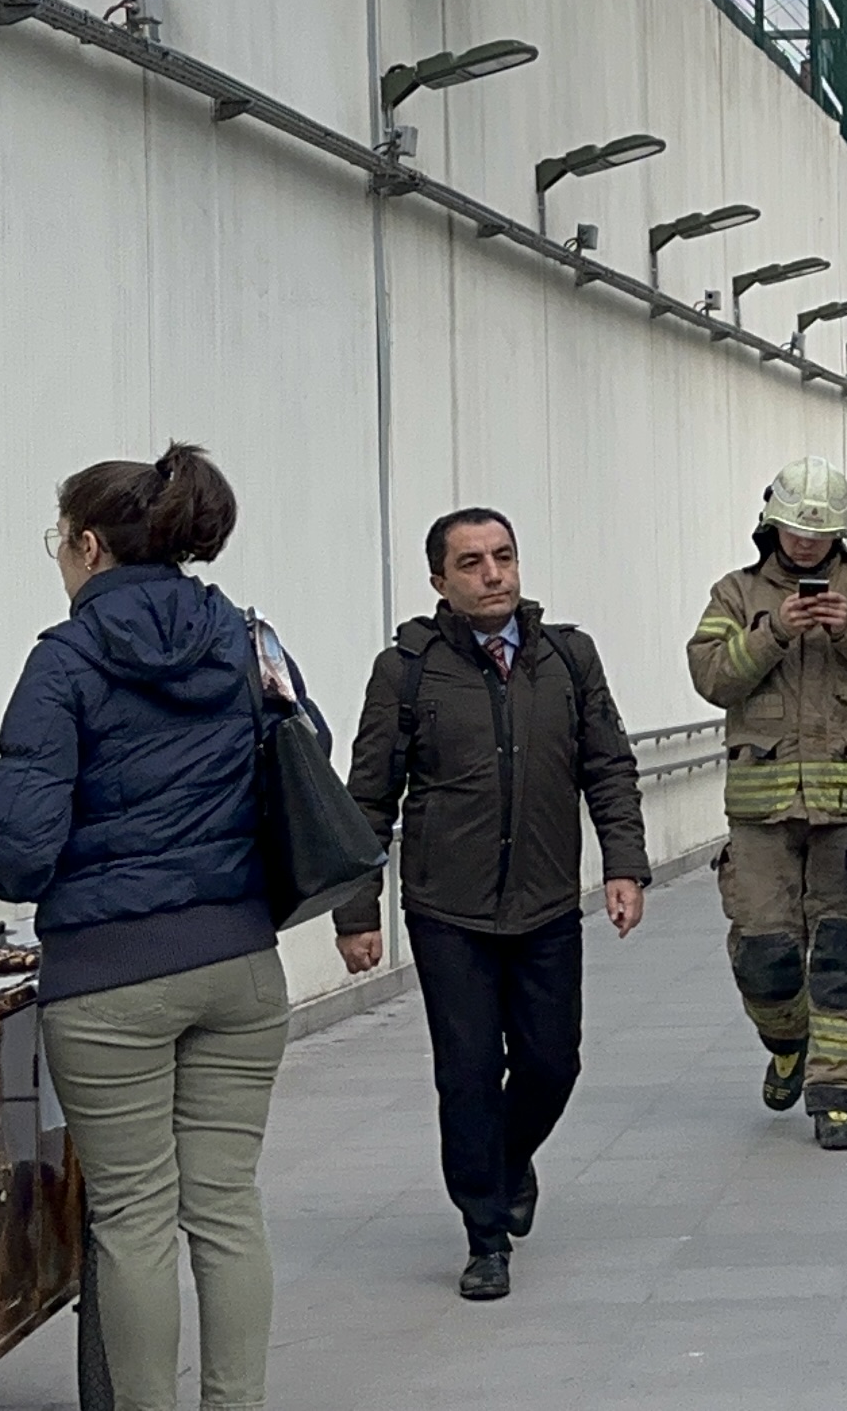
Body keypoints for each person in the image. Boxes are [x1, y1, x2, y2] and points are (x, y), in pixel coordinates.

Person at [0, 445, 303, 1411]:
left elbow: (21, 854)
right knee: (229, 1207)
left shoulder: (65, 659)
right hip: (240, 962)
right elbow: (305, 762)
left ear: (88, 546)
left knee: (133, 1219)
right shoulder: (247, 640)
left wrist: (4, 812)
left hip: (110, 975)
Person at [336, 508, 647, 1302]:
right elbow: (367, 798)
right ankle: (485, 1235)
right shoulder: (406, 670)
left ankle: (508, 1161)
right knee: (468, 1074)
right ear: (440, 580)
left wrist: (624, 865)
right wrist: (357, 912)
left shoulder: (567, 659)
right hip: (449, 909)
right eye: (471, 563)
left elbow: (608, 767)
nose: (493, 574)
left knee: (552, 1061)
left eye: (503, 557)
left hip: (545, 901)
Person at [685, 454, 847, 1151]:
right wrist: (776, 632)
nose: (806, 545)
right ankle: (787, 1042)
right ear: (772, 524)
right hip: (761, 815)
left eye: (819, 533)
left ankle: (839, 1097)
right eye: (796, 532)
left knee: (845, 954)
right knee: (764, 954)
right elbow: (710, 675)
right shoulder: (735, 593)